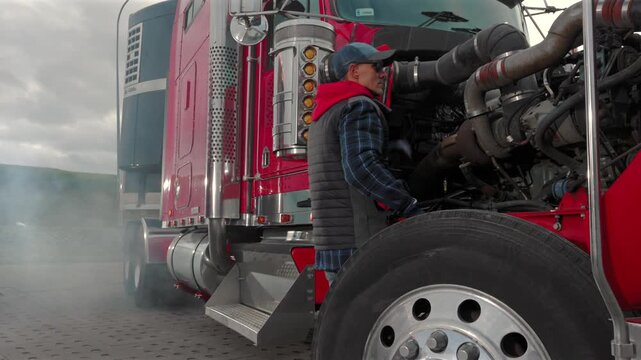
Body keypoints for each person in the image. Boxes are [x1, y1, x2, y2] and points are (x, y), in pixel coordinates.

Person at [307, 43, 423, 284]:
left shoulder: (322, 116)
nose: (382, 73)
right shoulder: (359, 106)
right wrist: (406, 203)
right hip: (359, 241)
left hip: (333, 241)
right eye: (375, 66)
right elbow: (361, 168)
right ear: (355, 71)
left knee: (347, 317)